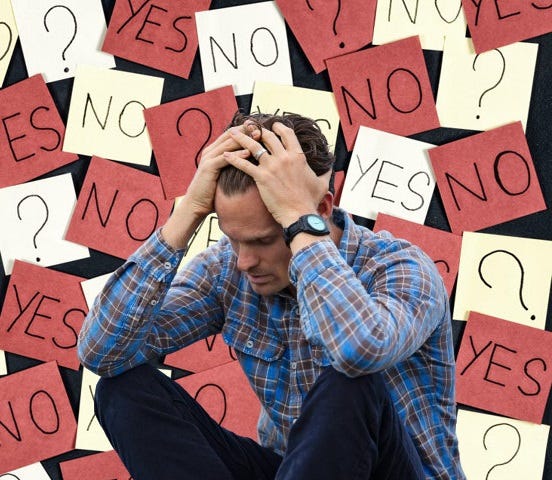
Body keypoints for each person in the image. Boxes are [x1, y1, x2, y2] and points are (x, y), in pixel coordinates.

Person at [77, 111, 466, 480]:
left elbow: (356, 349)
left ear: (320, 211)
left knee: (351, 380)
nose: (245, 261)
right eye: (233, 240)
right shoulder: (226, 272)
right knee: (123, 391)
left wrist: (300, 220)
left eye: (263, 240)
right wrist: (188, 213)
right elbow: (102, 353)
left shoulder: (400, 268)